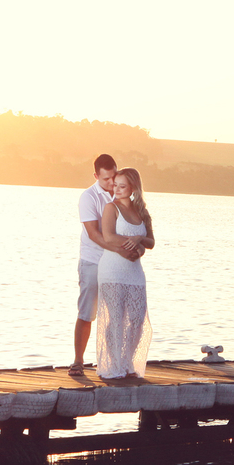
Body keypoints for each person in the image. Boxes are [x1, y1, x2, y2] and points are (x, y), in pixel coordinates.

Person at [71, 154, 144, 376]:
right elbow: (94, 234)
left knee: (117, 314)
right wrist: (122, 249)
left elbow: (137, 230)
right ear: (96, 176)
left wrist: (137, 248)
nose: (111, 183)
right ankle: (78, 361)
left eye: (114, 177)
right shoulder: (89, 197)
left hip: (117, 265)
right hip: (93, 261)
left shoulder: (123, 194)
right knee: (87, 312)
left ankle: (117, 363)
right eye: (106, 180)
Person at [96, 167, 155, 379]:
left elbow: (151, 242)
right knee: (116, 318)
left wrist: (139, 241)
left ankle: (128, 360)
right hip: (112, 270)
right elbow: (109, 237)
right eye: (115, 185)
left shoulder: (142, 212)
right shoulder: (111, 208)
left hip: (134, 272)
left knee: (138, 319)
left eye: (122, 186)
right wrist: (134, 247)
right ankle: (115, 364)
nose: (117, 189)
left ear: (133, 188)